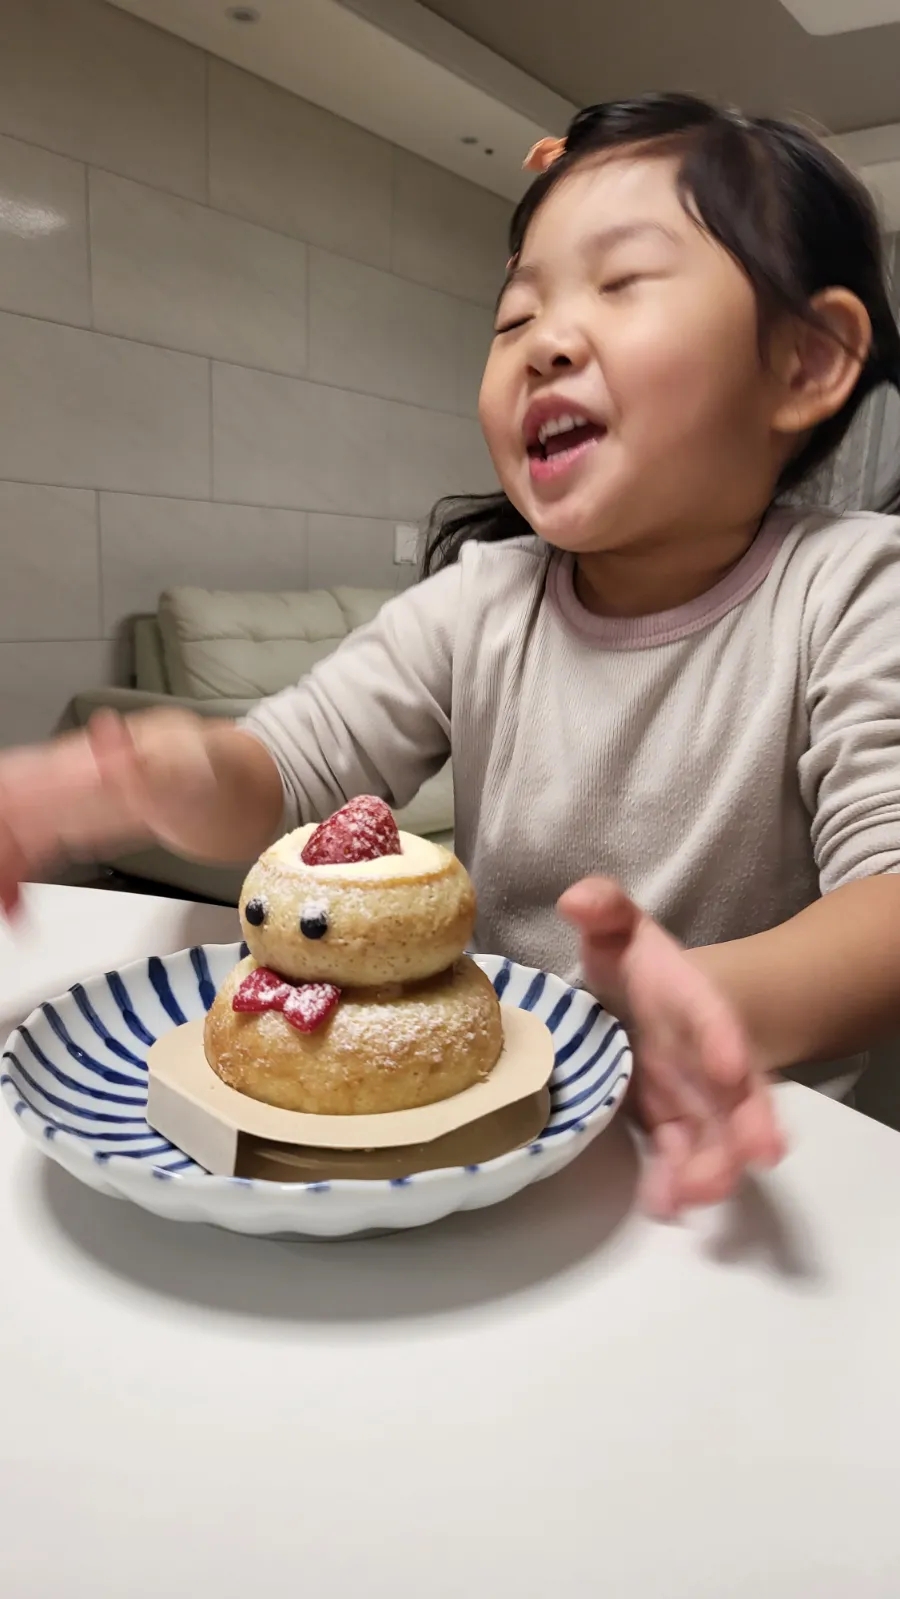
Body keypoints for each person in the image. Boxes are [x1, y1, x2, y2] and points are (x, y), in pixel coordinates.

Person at [4, 92, 900, 1216]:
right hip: (483, 1140)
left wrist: (716, 999)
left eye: (622, 285)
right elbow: (290, 770)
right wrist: (162, 774)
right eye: (516, 316)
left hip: (732, 1159)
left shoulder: (856, 587)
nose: (549, 343)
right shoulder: (483, 599)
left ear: (805, 366)